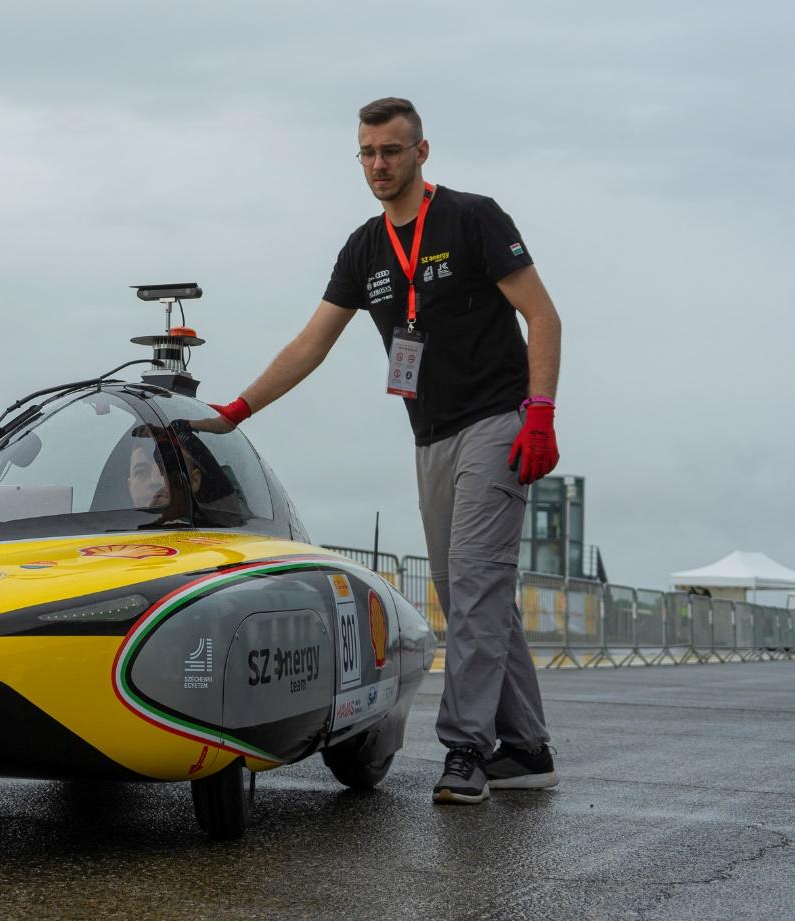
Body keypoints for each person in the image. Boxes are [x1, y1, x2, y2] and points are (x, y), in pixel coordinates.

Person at [209, 98, 562, 805]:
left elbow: (542, 314)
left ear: (422, 152)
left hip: (498, 421)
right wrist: (238, 408)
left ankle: (466, 748)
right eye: (368, 153)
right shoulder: (365, 249)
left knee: (473, 583)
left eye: (393, 151)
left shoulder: (473, 218)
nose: (379, 164)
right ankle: (525, 747)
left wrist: (540, 412)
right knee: (471, 588)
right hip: (429, 433)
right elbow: (312, 342)